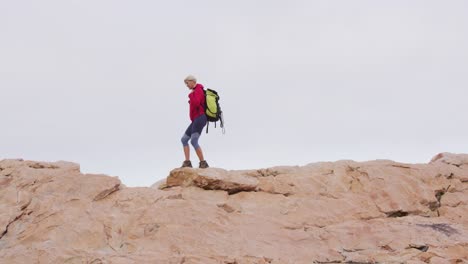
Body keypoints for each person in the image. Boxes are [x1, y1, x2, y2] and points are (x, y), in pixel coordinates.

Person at [180, 75, 209, 168]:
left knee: (194, 141)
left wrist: (191, 95)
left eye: (187, 83)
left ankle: (203, 163)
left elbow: (196, 103)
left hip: (200, 118)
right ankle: (187, 162)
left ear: (192, 81)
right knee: (184, 139)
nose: (187, 85)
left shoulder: (198, 89)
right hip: (195, 119)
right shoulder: (194, 91)